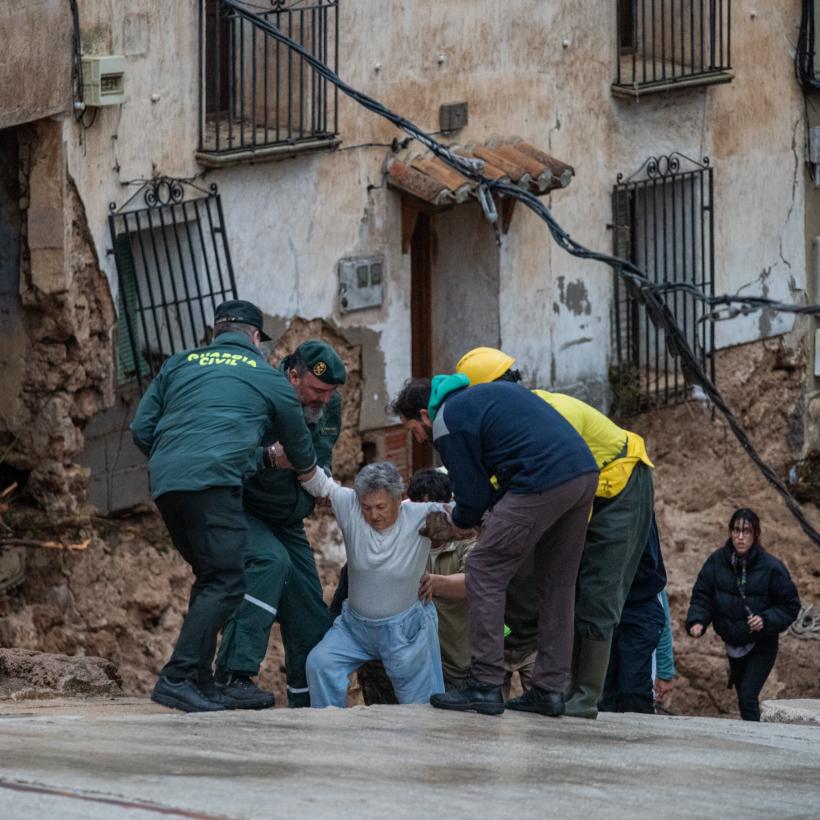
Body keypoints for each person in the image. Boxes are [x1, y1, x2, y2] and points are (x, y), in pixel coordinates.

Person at [130, 300, 317, 713]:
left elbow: (141, 427)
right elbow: (300, 446)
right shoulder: (267, 377)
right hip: (214, 484)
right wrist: (308, 475)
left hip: (166, 483)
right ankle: (177, 678)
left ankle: (200, 681)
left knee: (212, 576)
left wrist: (173, 460)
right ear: (255, 337)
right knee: (229, 579)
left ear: (216, 331)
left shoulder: (179, 364)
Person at [455, 347, 655, 718]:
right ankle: (548, 685)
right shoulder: (509, 427)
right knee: (547, 579)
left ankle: (584, 695)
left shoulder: (547, 413)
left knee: (598, 588)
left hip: (621, 486)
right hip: (579, 496)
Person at [391, 375, 598, 717]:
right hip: (582, 473)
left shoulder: (446, 419)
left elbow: (471, 495)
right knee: (558, 583)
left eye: (412, 428)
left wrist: (457, 523)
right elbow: (497, 480)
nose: (417, 438)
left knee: (483, 568)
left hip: (542, 478)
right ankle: (549, 689)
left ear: (423, 416)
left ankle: (486, 684)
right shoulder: (480, 399)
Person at [215, 340, 346, 708]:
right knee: (270, 563)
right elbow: (231, 457)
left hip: (289, 519)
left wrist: (324, 481)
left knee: (310, 615)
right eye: (318, 390)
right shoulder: (258, 395)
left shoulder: (329, 403)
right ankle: (231, 676)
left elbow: (324, 451)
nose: (324, 399)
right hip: (246, 508)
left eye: (331, 391)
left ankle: (307, 707)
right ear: (293, 376)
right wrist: (270, 459)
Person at [301, 462, 446, 707]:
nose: (373, 515)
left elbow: (469, 515)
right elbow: (315, 481)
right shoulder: (349, 505)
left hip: (404, 632)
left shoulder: (423, 516)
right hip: (354, 628)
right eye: (367, 507)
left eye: (381, 507)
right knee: (320, 664)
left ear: (399, 499)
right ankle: (327, 734)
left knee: (419, 706)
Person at [685, 508, 801, 721]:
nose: (740, 537)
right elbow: (703, 594)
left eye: (746, 531)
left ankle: (756, 745)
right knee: (743, 698)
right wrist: (698, 620)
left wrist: (765, 619)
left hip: (762, 644)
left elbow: (790, 605)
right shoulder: (716, 561)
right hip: (733, 643)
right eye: (736, 530)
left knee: (747, 696)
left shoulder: (771, 567)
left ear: (755, 534)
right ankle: (754, 736)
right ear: (729, 532)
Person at [412, 468, 476, 691]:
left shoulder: (466, 539)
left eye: (434, 509)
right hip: (414, 663)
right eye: (419, 508)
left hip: (459, 665)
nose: (427, 518)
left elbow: (473, 583)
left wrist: (433, 583)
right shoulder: (404, 540)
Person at [598, 516, 666, 714]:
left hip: (638, 607)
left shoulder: (636, 509)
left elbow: (649, 568)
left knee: (633, 690)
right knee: (604, 690)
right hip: (608, 608)